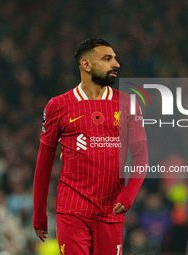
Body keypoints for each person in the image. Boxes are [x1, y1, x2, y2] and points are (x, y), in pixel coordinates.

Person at [33, 38, 148, 255]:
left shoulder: (129, 104)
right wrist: (39, 214)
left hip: (111, 211)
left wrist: (128, 196)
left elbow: (141, 158)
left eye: (115, 58)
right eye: (107, 59)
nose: (116, 64)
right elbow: (43, 164)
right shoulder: (58, 106)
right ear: (86, 65)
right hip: (72, 210)